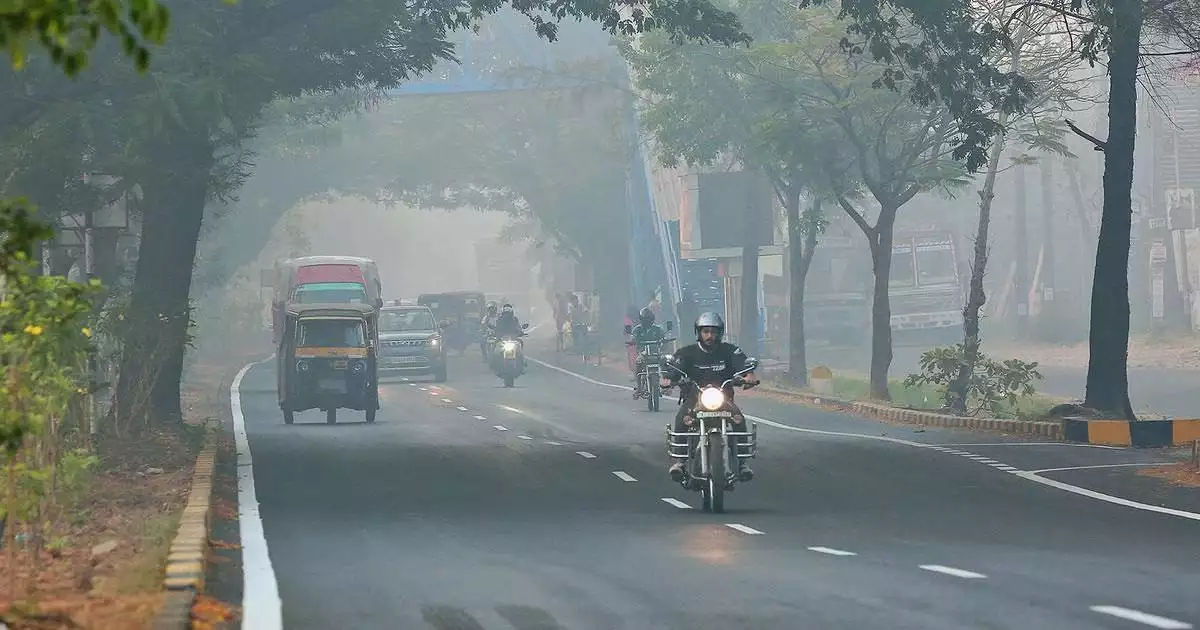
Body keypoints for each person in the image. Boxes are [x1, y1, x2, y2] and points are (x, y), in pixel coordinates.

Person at [661, 311, 759, 483]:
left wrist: (748, 375)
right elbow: (675, 368)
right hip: (694, 399)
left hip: (724, 398)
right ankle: (680, 462)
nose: (709, 336)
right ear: (698, 333)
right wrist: (668, 379)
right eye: (705, 332)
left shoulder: (729, 351)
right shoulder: (687, 352)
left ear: (719, 333)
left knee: (738, 419)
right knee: (682, 418)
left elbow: (742, 364)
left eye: (713, 332)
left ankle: (743, 463)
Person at [628, 307, 667, 397]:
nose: (647, 321)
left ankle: (666, 385)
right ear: (641, 319)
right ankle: (639, 388)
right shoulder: (637, 329)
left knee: (665, 362)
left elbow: (664, 339)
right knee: (638, 363)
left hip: (656, 353)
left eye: (649, 319)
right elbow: (632, 338)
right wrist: (631, 341)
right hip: (643, 353)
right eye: (645, 319)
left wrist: (665, 342)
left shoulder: (658, 329)